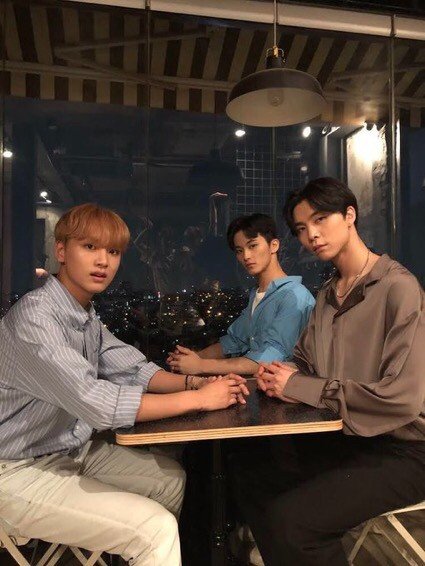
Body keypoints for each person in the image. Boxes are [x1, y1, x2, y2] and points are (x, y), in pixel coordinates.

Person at [0, 203, 248, 566]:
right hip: (13, 471)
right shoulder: (36, 318)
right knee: (155, 529)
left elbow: (135, 370)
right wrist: (201, 400)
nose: (103, 261)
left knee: (170, 481)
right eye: (90, 247)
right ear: (61, 251)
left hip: (64, 452)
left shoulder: (84, 315)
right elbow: (97, 402)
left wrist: (196, 382)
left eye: (113, 252)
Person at [231, 178, 425, 566]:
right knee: (248, 476)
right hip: (348, 437)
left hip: (405, 448)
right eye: (302, 228)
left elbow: (401, 398)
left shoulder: (397, 288)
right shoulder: (327, 295)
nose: (312, 235)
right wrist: (280, 373)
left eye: (320, 219)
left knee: (292, 523)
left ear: (350, 215)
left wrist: (301, 387)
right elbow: (305, 362)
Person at [167, 213, 315, 376]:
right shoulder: (258, 295)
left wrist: (201, 365)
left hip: (286, 389)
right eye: (239, 250)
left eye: (253, 246)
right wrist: (189, 359)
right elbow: (234, 341)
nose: (246, 256)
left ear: (274, 245)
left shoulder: (294, 296)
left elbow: (268, 360)